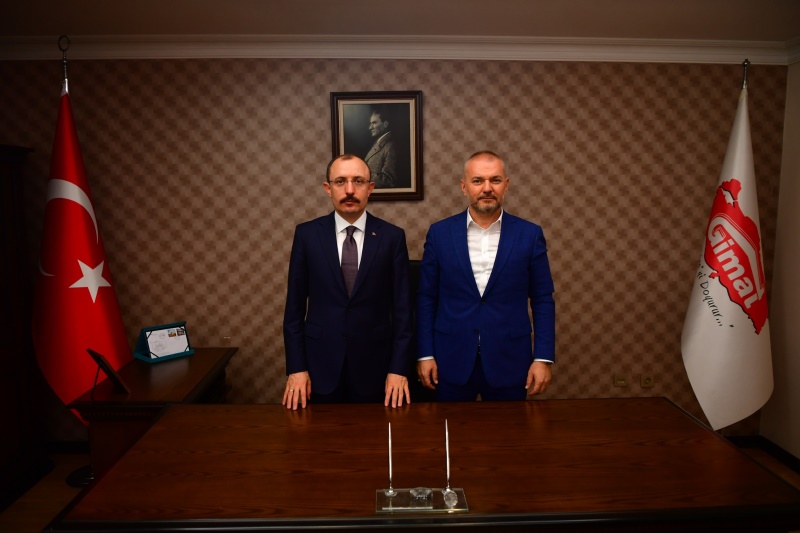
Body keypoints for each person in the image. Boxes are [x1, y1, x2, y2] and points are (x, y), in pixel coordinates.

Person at [416, 151, 556, 401]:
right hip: (450, 359)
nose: (487, 188)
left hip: (510, 360)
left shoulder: (529, 234)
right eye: (478, 181)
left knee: (509, 427)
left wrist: (543, 357)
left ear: (506, 185)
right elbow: (426, 297)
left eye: (495, 180)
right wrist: (425, 354)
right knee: (451, 426)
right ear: (464, 187)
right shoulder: (439, 234)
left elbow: (543, 299)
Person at [283, 154, 413, 409]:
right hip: (319, 367)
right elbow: (294, 311)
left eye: (358, 181)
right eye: (341, 181)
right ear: (328, 188)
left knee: (373, 435)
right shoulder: (307, 235)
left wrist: (398, 369)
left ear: (370, 188)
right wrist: (297, 368)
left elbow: (403, 312)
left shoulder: (392, 237)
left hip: (376, 369)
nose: (350, 190)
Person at [365, 109, 397, 189]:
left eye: (374, 123)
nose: (370, 127)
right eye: (371, 123)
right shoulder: (379, 143)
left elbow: (388, 180)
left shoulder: (391, 146)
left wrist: (362, 177)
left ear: (385, 124)